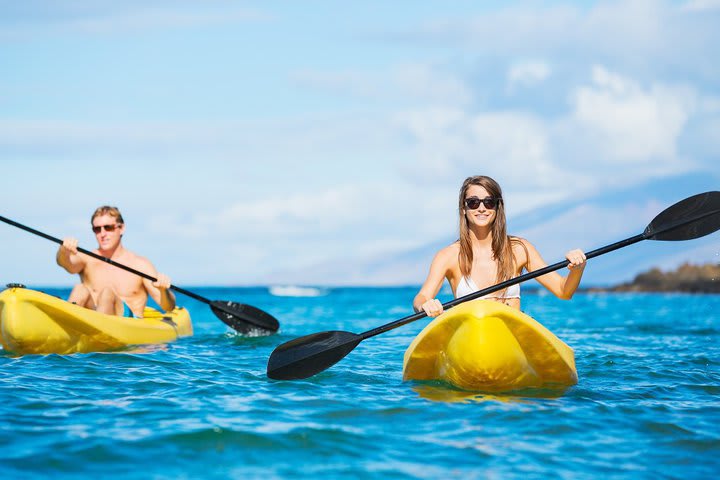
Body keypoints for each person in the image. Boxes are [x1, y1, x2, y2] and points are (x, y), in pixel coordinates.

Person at [413, 175, 587, 317]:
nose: (481, 208)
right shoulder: (448, 256)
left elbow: (563, 291)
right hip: (472, 338)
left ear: (497, 207)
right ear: (463, 208)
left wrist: (577, 269)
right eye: (473, 202)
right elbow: (421, 298)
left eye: (489, 202)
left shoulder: (519, 249)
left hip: (512, 333)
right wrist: (426, 305)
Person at [56, 206, 175, 318]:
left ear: (121, 228)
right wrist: (63, 250)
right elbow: (66, 264)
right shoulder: (87, 259)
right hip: (94, 319)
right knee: (79, 289)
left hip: (128, 324)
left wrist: (163, 290)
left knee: (107, 294)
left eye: (108, 228)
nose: (102, 234)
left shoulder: (140, 264)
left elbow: (168, 306)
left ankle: (98, 332)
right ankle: (64, 331)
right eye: (97, 229)